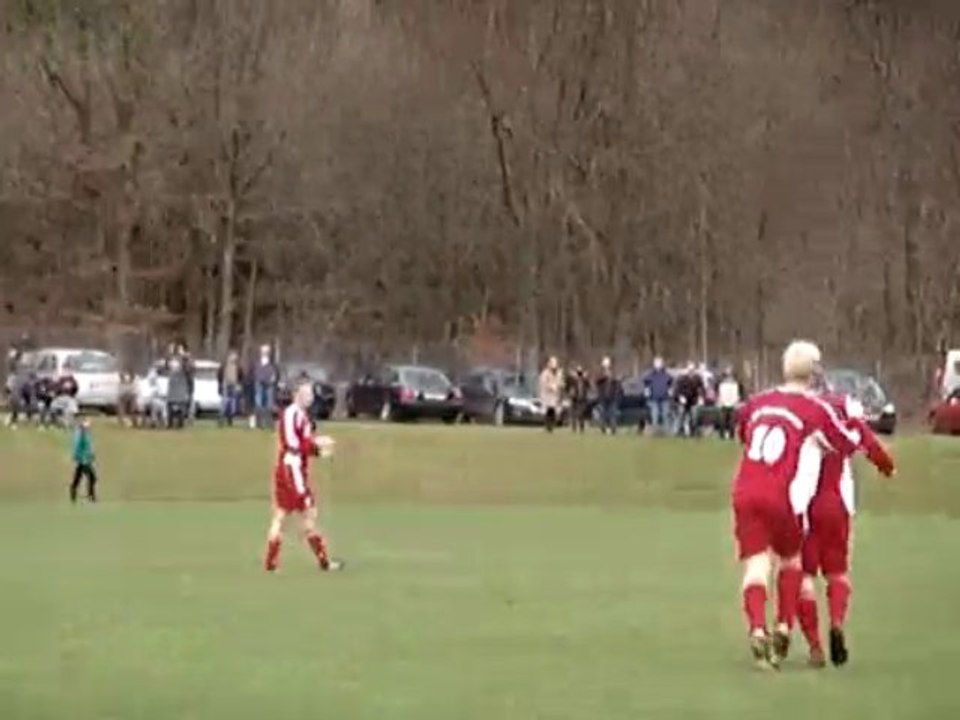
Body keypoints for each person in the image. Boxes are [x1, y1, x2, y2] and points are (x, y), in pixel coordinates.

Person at [731, 339, 862, 670]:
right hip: (781, 495)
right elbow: (846, 443)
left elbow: (743, 432)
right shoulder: (816, 409)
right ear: (814, 372)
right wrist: (857, 427)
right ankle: (783, 626)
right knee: (791, 560)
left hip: (745, 490)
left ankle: (757, 628)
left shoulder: (757, 402)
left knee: (756, 566)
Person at [797, 393, 895, 668]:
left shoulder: (807, 422)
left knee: (804, 577)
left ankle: (815, 647)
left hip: (805, 507)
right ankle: (837, 623)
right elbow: (873, 447)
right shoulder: (849, 427)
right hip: (837, 506)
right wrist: (888, 468)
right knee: (837, 573)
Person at [264, 380, 343, 573]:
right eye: (307, 394)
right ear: (297, 394)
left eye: (311, 394)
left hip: (287, 466)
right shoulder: (296, 415)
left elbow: (299, 441)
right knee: (308, 514)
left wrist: (316, 445)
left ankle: (271, 563)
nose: (311, 397)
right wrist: (319, 449)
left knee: (282, 515)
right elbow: (297, 445)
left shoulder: (293, 414)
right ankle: (324, 562)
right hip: (293, 470)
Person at [70, 417, 98, 503]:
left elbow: (88, 447)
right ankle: (91, 497)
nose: (88, 428)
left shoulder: (86, 435)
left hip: (86, 460)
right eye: (86, 426)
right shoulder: (81, 435)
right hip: (83, 460)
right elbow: (78, 447)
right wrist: (78, 456)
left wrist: (91, 455)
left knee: (78, 477)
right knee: (92, 478)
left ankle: (73, 493)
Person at [643, 357, 673, 436]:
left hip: (665, 398)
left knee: (665, 415)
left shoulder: (667, 376)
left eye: (660, 363)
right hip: (653, 398)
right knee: (655, 415)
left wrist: (670, 394)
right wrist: (647, 394)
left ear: (662, 364)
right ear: (654, 364)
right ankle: (655, 432)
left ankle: (667, 432)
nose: (658, 364)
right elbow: (646, 386)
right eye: (656, 363)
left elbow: (670, 387)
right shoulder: (650, 376)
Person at [252, 344, 279, 429]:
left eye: (266, 351)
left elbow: (275, 373)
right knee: (259, 403)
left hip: (269, 385)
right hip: (259, 384)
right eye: (263, 351)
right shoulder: (257, 363)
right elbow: (255, 373)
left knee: (269, 404)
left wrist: (273, 378)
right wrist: (257, 379)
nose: (265, 353)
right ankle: (259, 423)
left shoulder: (272, 363)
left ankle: (269, 423)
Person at [673, 362, 704, 437]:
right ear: (687, 369)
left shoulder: (698, 378)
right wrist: (680, 397)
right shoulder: (681, 378)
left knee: (694, 417)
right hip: (683, 400)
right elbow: (677, 390)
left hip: (693, 400)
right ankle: (679, 432)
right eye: (689, 369)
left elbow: (701, 388)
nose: (691, 371)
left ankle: (693, 432)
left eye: (692, 369)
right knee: (681, 416)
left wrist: (701, 397)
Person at [218, 349, 244, 426]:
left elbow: (241, 376)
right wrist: (220, 384)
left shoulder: (238, 366)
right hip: (225, 384)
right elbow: (219, 375)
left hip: (234, 385)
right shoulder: (224, 365)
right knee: (224, 402)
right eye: (232, 356)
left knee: (233, 403)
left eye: (235, 356)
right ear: (229, 357)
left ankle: (230, 419)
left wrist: (239, 384)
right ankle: (221, 418)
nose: (234, 358)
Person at [594, 357, 620, 435]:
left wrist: (613, 377)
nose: (606, 365)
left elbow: (617, 382)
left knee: (613, 414)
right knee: (603, 414)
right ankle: (603, 429)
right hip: (603, 397)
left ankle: (613, 429)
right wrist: (604, 376)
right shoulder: (600, 372)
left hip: (612, 397)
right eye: (605, 364)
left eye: (608, 363)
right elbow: (596, 380)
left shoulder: (613, 372)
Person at [716, 367, 744, 440]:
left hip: (731, 404)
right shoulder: (722, 384)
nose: (729, 377)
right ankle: (723, 435)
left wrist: (737, 401)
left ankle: (730, 435)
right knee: (724, 421)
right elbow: (720, 393)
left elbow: (739, 393)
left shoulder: (735, 384)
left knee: (731, 421)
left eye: (730, 375)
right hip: (725, 403)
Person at [538, 356, 563, 433]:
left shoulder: (558, 373)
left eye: (554, 363)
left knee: (554, 411)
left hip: (555, 395)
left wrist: (559, 386)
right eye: (552, 363)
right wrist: (550, 386)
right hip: (547, 395)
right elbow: (543, 383)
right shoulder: (545, 373)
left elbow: (560, 382)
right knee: (548, 410)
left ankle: (551, 426)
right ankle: (548, 426)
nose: (553, 365)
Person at [565, 365, 591, 433]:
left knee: (581, 413)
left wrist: (585, 378)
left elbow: (588, 386)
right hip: (574, 398)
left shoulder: (584, 379)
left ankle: (581, 428)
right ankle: (574, 428)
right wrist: (568, 393)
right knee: (574, 414)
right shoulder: (573, 379)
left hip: (582, 398)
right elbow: (567, 386)